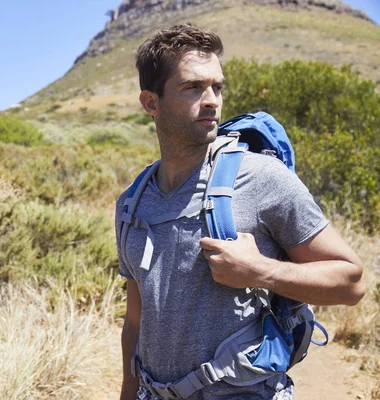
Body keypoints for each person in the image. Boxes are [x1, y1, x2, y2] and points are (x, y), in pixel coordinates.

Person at [116, 23, 366, 400]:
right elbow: (136, 321)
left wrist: (261, 271)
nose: (213, 100)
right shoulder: (132, 203)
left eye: (217, 86)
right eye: (193, 87)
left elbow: (352, 282)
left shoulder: (262, 178)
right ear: (151, 102)